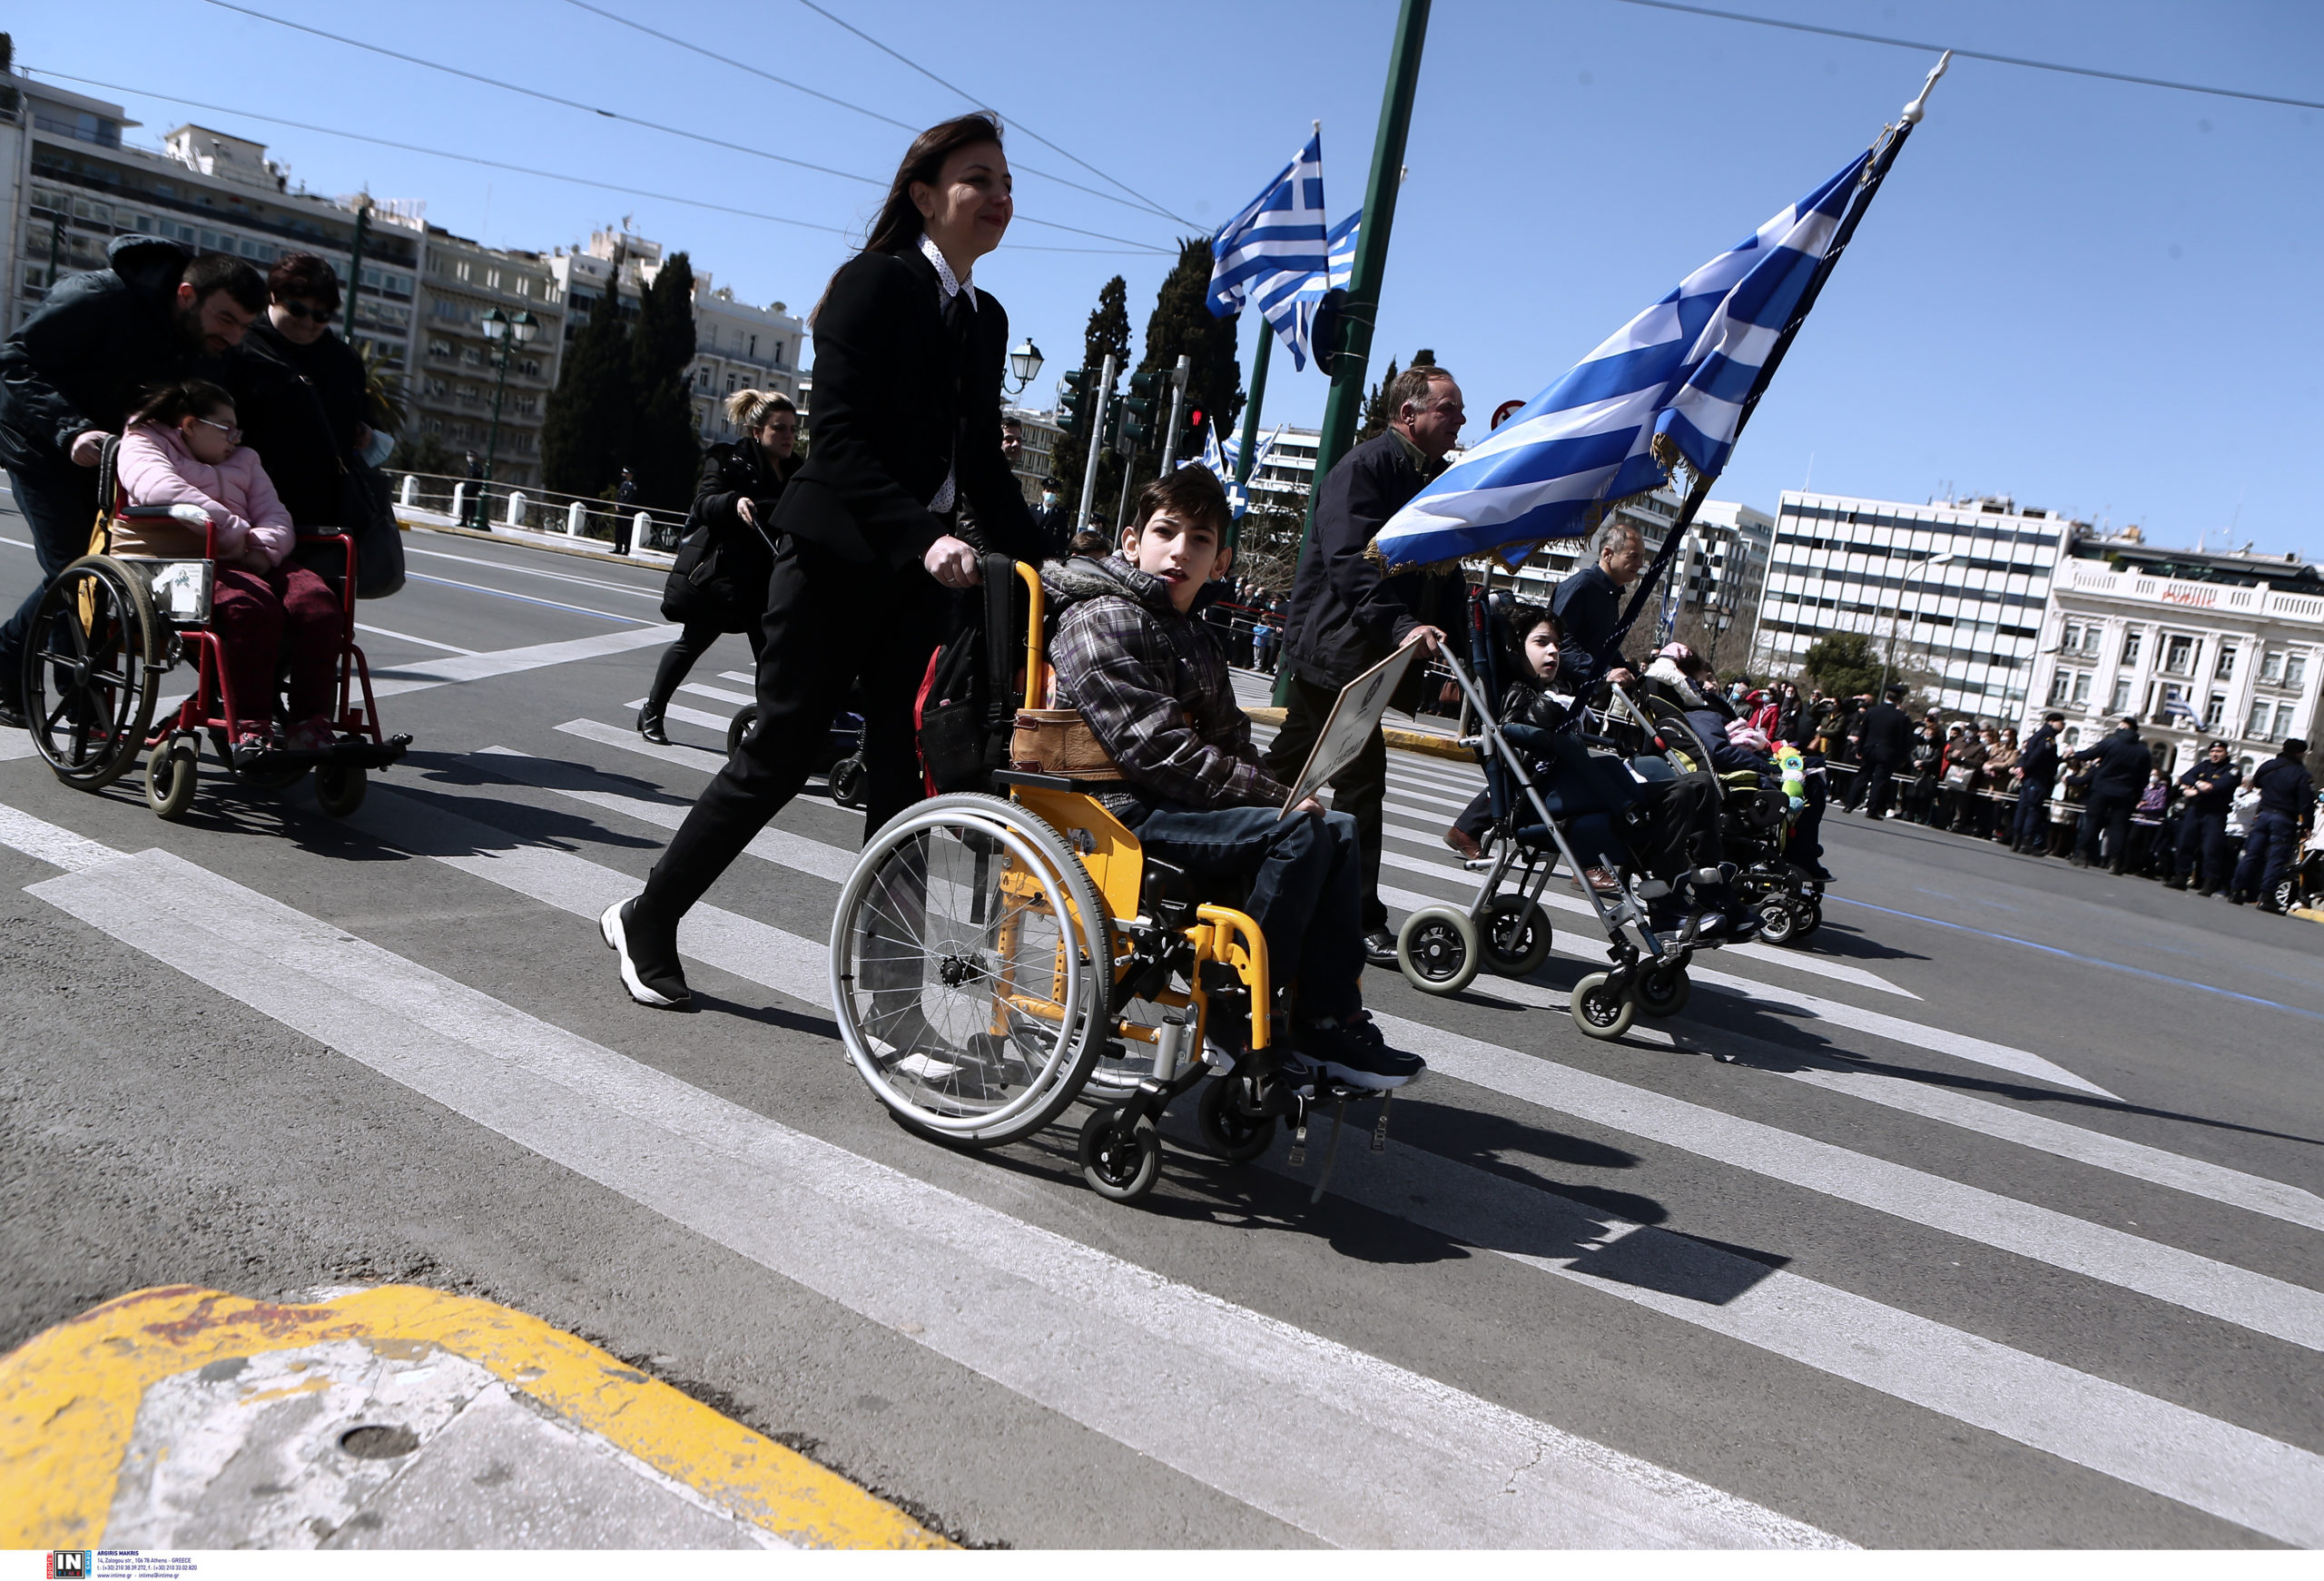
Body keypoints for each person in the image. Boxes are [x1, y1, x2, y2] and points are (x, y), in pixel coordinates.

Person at [603, 113, 1044, 1010]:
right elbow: (836, 446)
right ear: (924, 195)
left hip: (911, 577)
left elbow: (984, 466)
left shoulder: (982, 316)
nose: (999, 197)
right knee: (782, 750)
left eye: (1004, 182)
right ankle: (647, 915)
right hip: (832, 557)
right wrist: (926, 535)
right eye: (978, 180)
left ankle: (886, 985)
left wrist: (1058, 560)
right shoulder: (870, 286)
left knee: (901, 766)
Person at [1039, 469, 1423, 1089]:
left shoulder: (1194, 635)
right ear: (1133, 542)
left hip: (1172, 805)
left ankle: (1324, 1019)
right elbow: (1160, 752)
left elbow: (1232, 743)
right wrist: (1281, 800)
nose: (1179, 551)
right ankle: (1239, 1013)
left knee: (1342, 826)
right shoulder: (1102, 617)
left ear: (1220, 561)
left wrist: (1295, 793)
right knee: (1294, 833)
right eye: (1166, 532)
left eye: (1198, 540)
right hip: (1117, 816)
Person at [0, 239, 266, 728]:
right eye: (226, 319)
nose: (233, 335)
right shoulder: (98, 296)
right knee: (78, 573)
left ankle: (5, 661)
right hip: (43, 447)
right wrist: (71, 430)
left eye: (245, 326)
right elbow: (16, 361)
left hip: (121, 459)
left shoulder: (209, 342)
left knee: (95, 570)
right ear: (187, 294)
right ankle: (87, 706)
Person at [1265, 363, 1463, 965]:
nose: (1460, 420)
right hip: (1339, 653)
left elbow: (1434, 568)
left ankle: (1227, 841)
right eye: (1448, 408)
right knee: (1359, 781)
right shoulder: (1366, 469)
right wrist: (1403, 624)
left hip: (1358, 654)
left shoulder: (1425, 477)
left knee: (1286, 770)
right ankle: (1357, 914)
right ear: (1410, 414)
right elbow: (1351, 560)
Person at [115, 380, 340, 756]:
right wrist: (238, 537)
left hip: (250, 560)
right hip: (179, 564)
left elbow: (274, 513)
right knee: (250, 608)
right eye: (226, 430)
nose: (235, 439)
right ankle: (251, 725)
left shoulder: (246, 461)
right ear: (190, 425)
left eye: (238, 431)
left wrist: (264, 549)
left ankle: (309, 724)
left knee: (317, 604)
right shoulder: (142, 443)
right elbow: (164, 492)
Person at [638, 389, 800, 744]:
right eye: (781, 428)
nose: (790, 436)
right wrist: (733, 501)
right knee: (692, 643)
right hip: (724, 576)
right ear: (757, 431)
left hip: (769, 581)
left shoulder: (798, 471)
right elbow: (704, 503)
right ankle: (653, 708)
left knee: (771, 660)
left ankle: (767, 734)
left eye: (793, 428)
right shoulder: (728, 460)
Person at [223, 252, 377, 537]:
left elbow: (365, 416)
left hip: (326, 512)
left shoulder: (343, 359)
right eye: (297, 310)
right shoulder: (238, 344)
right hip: (253, 506)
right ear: (273, 296)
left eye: (321, 315)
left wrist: (366, 431)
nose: (308, 323)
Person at [1551, 519, 1647, 699]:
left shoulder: (1610, 593)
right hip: (1565, 694)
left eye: (1642, 557)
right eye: (1633, 556)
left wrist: (1636, 675)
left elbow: (1604, 648)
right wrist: (1602, 674)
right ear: (1608, 554)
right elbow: (1559, 641)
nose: (1640, 564)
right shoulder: (1582, 586)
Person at [2229, 737, 2315, 911]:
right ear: (2300, 753)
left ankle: (2236, 890)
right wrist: (2308, 825)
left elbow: (2257, 782)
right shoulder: (2301, 774)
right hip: (2284, 818)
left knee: (2252, 854)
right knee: (2276, 858)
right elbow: (2306, 802)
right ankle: (2266, 897)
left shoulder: (2269, 765)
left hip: (2264, 814)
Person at [2068, 714, 2152, 871]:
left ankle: (2083, 854)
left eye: (2120, 726)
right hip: (2126, 793)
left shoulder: (2111, 742)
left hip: (2102, 788)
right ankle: (2115, 861)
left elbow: (2089, 754)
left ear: (2126, 727)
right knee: (2118, 827)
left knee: (2092, 822)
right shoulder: (2143, 751)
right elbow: (2144, 777)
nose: (2118, 728)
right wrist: (2137, 795)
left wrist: (2073, 755)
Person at [2166, 739, 2240, 894]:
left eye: (2219, 752)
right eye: (2212, 751)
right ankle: (2181, 876)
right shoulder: (2204, 765)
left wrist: (2195, 791)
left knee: (2211, 849)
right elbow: (2185, 777)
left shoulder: (2232, 770)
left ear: (2226, 753)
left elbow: (2218, 787)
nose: (2214, 755)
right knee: (2185, 843)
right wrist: (2200, 784)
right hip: (2195, 810)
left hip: (2215, 813)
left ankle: (2209, 883)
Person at [1844, 683, 1912, 817]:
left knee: (1862, 776)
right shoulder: (1902, 717)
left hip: (1869, 749)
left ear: (1886, 696)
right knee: (1879, 781)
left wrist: (1859, 748)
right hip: (1887, 753)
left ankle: (1849, 804)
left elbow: (1863, 732)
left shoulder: (1872, 711)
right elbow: (1904, 740)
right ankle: (1872, 809)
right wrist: (1903, 757)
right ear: (1899, 700)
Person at [2014, 710, 2066, 854]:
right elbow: (2038, 755)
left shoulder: (2037, 734)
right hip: (2037, 778)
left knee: (2023, 808)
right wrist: (2025, 768)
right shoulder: (2048, 737)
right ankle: (2026, 843)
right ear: (2052, 721)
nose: (2063, 726)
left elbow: (2027, 753)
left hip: (2030, 777)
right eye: (2062, 723)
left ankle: (2016, 841)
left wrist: (2022, 767)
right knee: (2033, 810)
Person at [1028, 472, 1070, 558]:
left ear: (1057, 494)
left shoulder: (1062, 515)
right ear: (1043, 492)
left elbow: (1063, 540)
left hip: (1050, 557)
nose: (1050, 494)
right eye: (1048, 490)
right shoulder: (1032, 510)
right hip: (1031, 554)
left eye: (1053, 491)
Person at [611, 468, 640, 554]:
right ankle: (618, 548)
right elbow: (619, 495)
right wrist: (617, 504)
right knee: (618, 530)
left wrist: (622, 506)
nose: (624, 475)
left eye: (626, 473)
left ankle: (626, 549)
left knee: (626, 531)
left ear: (631, 475)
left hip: (627, 511)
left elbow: (630, 498)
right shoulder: (623, 484)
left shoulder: (633, 486)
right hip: (619, 511)